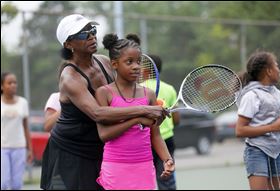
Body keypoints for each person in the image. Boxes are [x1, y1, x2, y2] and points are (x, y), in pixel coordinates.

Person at [40, 14, 168, 190]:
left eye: (92, 30)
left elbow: (122, 95)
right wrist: (144, 110)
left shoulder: (104, 62)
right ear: (68, 44)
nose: (92, 36)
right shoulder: (70, 77)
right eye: (83, 34)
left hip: (100, 148)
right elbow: (98, 113)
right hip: (70, 152)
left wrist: (151, 106)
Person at [95, 33, 175, 190]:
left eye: (138, 62)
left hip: (144, 165)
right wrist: (137, 119)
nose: (136, 66)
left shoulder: (149, 94)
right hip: (115, 167)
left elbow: (155, 135)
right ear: (114, 64)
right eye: (129, 62)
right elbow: (104, 135)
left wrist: (167, 159)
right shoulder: (104, 93)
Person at [235, 51, 280, 190]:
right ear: (269, 71)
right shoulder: (251, 96)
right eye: (277, 66)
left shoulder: (277, 93)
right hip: (257, 152)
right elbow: (240, 130)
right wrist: (272, 127)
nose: (279, 70)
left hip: (276, 152)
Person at [147, 54, 180, 190]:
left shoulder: (137, 89)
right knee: (167, 180)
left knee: (145, 181)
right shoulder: (170, 89)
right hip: (167, 140)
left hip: (146, 141)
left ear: (146, 69)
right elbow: (176, 119)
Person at [1, 72, 33, 190]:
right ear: (2, 86)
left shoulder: (23, 102)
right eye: (9, 83)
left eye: (15, 82)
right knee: (3, 183)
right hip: (2, 148)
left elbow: (26, 127)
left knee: (16, 184)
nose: (13, 85)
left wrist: (30, 149)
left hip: (19, 147)